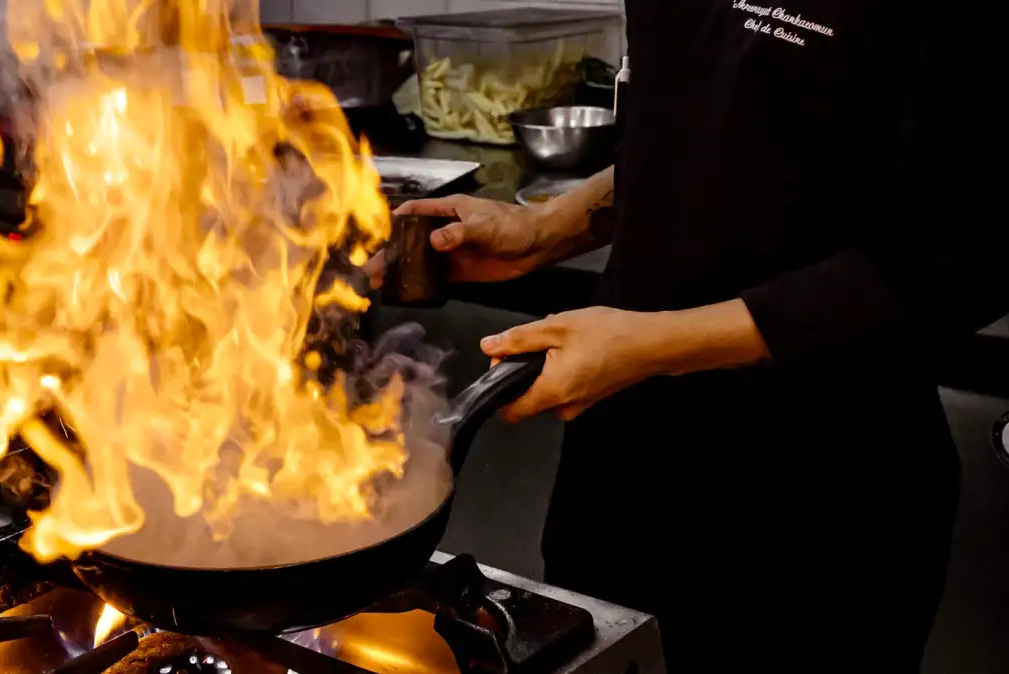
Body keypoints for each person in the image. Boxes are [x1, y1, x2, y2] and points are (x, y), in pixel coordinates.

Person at [373, 3, 1006, 672]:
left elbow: (956, 256)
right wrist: (547, 228)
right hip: (624, 476)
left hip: (818, 505)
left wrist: (654, 344)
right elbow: (707, 136)